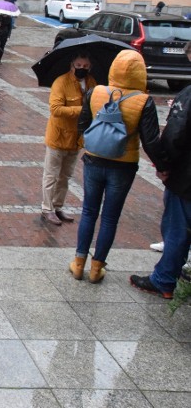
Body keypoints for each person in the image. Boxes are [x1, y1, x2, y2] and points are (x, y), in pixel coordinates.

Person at [70, 50, 168, 283]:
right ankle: (96, 268)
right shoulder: (143, 101)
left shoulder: (96, 92)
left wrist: (94, 145)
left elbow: (83, 125)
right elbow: (151, 141)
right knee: (110, 218)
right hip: (123, 165)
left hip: (93, 160)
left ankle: (78, 263)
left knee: (88, 212)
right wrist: (162, 167)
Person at [130, 42, 191, 298]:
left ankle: (163, 280)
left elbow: (175, 134)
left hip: (186, 178)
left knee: (177, 229)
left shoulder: (189, 94)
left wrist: (163, 165)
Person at [40, 52, 97, 225]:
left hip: (76, 139)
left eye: (85, 66)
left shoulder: (91, 83)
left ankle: (57, 206)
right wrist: (82, 110)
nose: (82, 69)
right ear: (72, 65)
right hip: (58, 137)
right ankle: (47, 208)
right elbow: (56, 109)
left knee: (65, 176)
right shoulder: (61, 82)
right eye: (78, 66)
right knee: (52, 175)